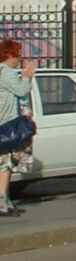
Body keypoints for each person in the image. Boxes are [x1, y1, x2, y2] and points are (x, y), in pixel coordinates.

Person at [0, 39, 36, 217]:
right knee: (4, 165)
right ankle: (2, 203)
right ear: (9, 55)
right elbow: (21, 91)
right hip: (6, 123)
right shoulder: (6, 73)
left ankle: (5, 201)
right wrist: (27, 77)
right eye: (17, 54)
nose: (19, 58)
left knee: (4, 165)